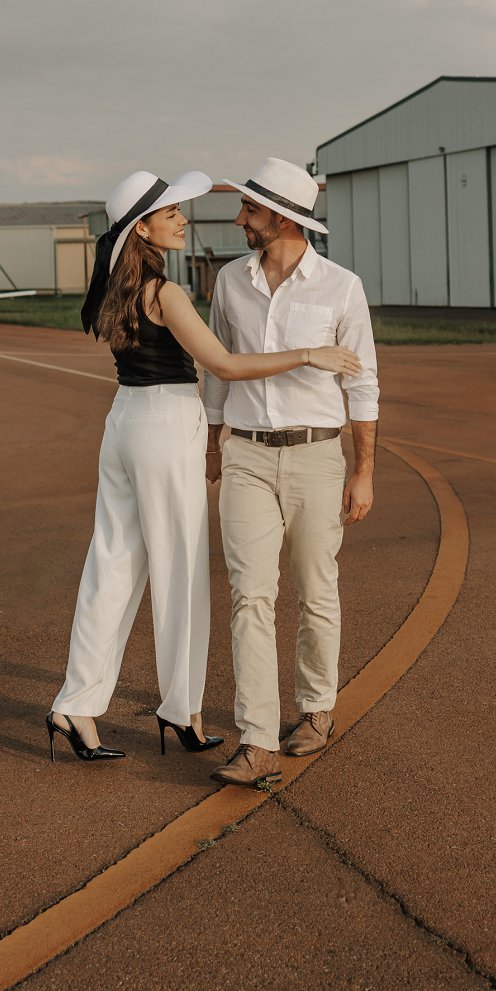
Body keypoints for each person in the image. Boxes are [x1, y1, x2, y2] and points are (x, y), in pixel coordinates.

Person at [47, 169, 362, 764]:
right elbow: (225, 365)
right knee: (180, 570)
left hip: (123, 423)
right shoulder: (164, 291)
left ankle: (76, 705)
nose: (182, 219)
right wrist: (309, 353)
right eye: (170, 213)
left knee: (111, 564)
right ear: (143, 229)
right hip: (167, 427)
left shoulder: (116, 285)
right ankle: (182, 710)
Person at [203, 157, 379, 789]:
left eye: (249, 209)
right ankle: (256, 740)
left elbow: (363, 386)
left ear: (281, 217)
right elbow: (217, 369)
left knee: (315, 590)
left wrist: (363, 471)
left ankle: (315, 708)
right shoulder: (229, 281)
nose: (239, 219)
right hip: (246, 457)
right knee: (249, 596)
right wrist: (214, 447)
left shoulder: (341, 288)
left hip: (317, 458)